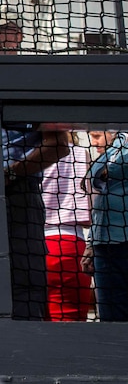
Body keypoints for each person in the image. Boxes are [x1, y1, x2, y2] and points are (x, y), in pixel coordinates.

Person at [0, 3, 72, 320]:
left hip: (17, 195)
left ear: (15, 36)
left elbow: (58, 145)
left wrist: (9, 175)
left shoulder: (36, 82)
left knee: (24, 280)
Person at [40, 135, 93, 321]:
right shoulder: (80, 154)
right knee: (70, 325)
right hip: (70, 245)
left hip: (31, 245)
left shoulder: (30, 154)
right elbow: (90, 209)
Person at [83, 130, 128, 321]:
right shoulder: (114, 151)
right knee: (110, 320)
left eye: (96, 135)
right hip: (105, 244)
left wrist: (121, 138)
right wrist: (91, 243)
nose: (93, 143)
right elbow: (93, 179)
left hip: (122, 243)